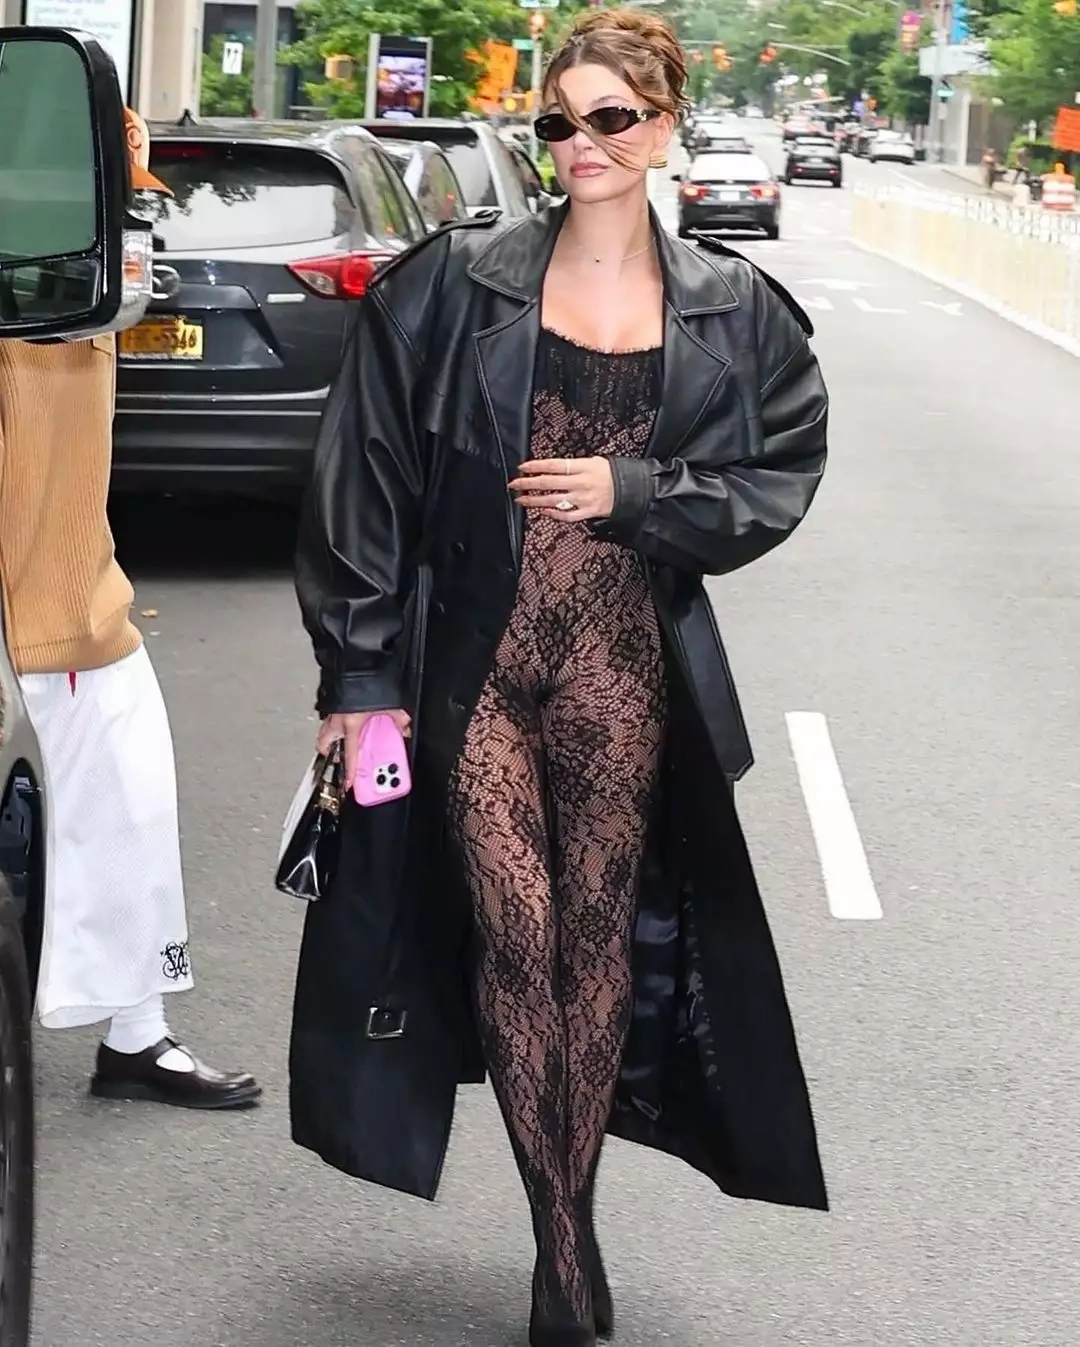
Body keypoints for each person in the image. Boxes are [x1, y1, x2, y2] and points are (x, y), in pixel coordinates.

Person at [290, 9, 827, 1345]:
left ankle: (564, 1231)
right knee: (515, 936)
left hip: (620, 669)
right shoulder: (451, 284)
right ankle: (563, 1229)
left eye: (612, 118)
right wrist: (360, 676)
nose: (582, 143)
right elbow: (362, 478)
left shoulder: (733, 307)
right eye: (559, 121)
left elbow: (778, 473)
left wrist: (633, 489)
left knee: (593, 947)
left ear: (664, 127)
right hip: (472, 663)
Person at [0, 110, 260, 1111]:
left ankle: (137, 1034)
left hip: (81, 602)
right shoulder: (35, 277)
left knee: (131, 812)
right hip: (25, 620)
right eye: (120, 186)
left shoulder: (79, 280)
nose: (133, 214)